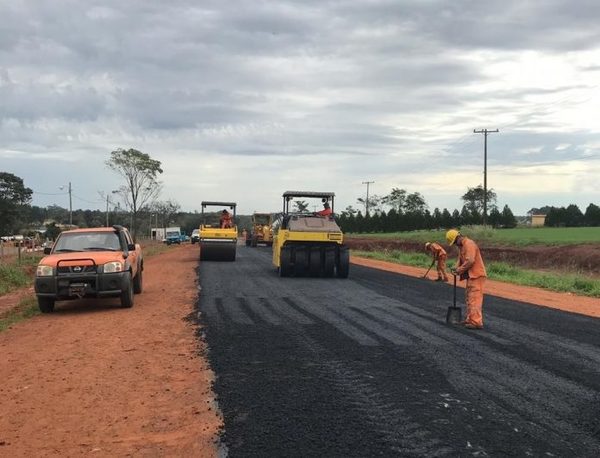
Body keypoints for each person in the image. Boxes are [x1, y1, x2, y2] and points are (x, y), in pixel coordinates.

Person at [446, 229, 487, 330]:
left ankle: (476, 322)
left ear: (458, 237)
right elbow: (460, 260)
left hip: (477, 275)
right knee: (469, 298)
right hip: (471, 276)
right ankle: (470, 319)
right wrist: (456, 268)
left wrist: (459, 270)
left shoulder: (469, 244)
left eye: (455, 242)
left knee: (475, 298)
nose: (455, 244)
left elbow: (470, 261)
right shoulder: (462, 247)